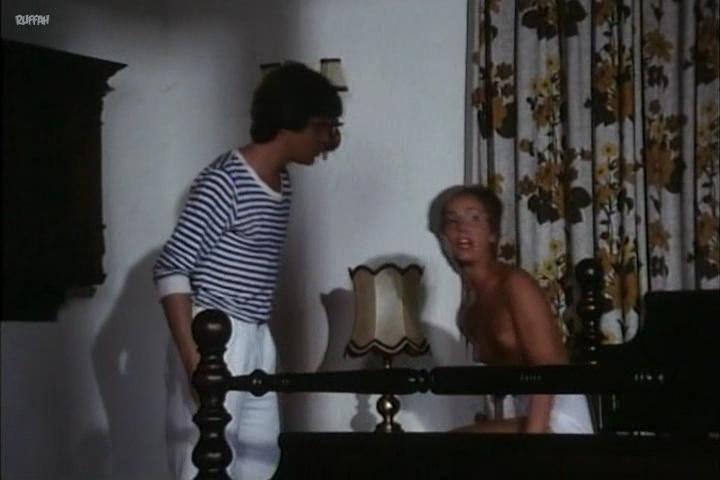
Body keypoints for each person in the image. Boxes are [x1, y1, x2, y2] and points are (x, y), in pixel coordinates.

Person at [153, 62, 343, 479]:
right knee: (203, 462)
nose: (326, 141)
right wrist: (195, 362)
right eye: (321, 127)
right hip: (215, 337)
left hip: (257, 335)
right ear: (290, 122)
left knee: (258, 462)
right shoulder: (225, 181)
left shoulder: (282, 183)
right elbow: (171, 269)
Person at [435, 185, 593, 434]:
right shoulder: (467, 311)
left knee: (454, 442)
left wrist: (531, 441)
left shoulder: (515, 285)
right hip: (523, 414)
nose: (462, 228)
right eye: (452, 221)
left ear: (492, 234)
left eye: (474, 218)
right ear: (443, 236)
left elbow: (547, 372)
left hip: (557, 414)